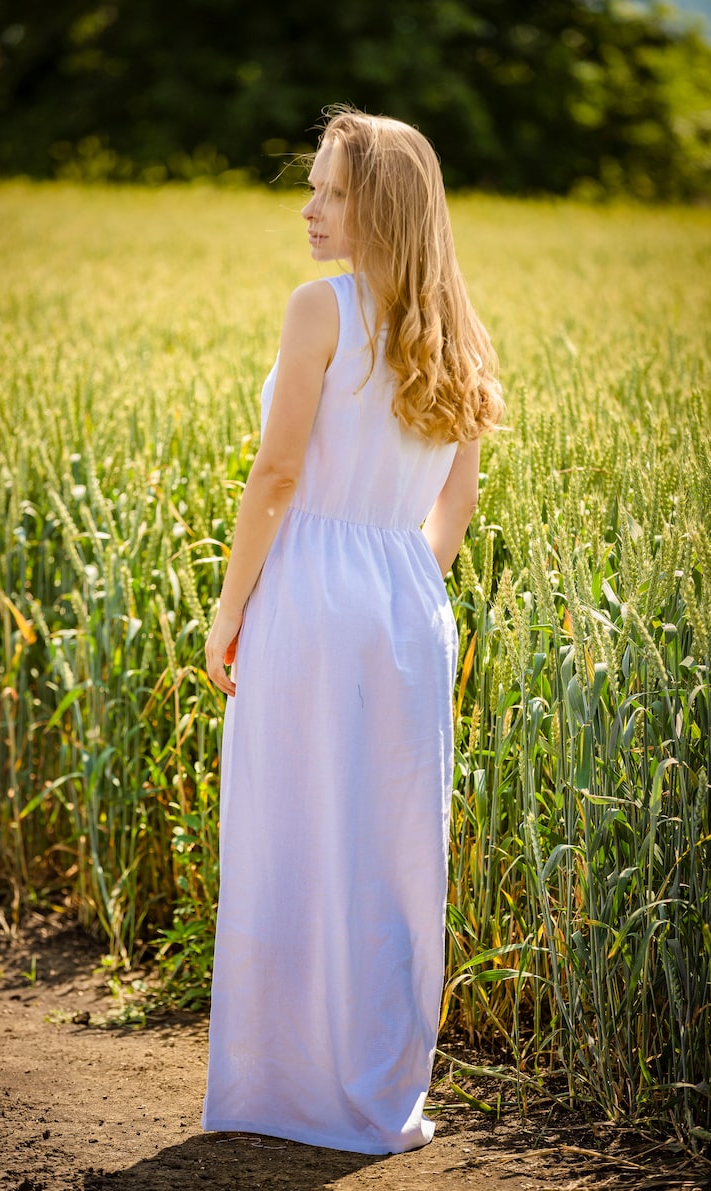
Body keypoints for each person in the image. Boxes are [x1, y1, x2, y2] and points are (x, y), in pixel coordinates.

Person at [202, 105, 504, 1156]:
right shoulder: (459, 329)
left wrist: (231, 606)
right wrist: (401, 586)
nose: (309, 208)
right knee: (389, 851)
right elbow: (455, 500)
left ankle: (284, 1092)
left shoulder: (318, 308)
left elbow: (278, 474)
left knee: (291, 835)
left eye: (329, 190)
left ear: (374, 205)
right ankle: (379, 1097)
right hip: (407, 599)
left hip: (312, 587)